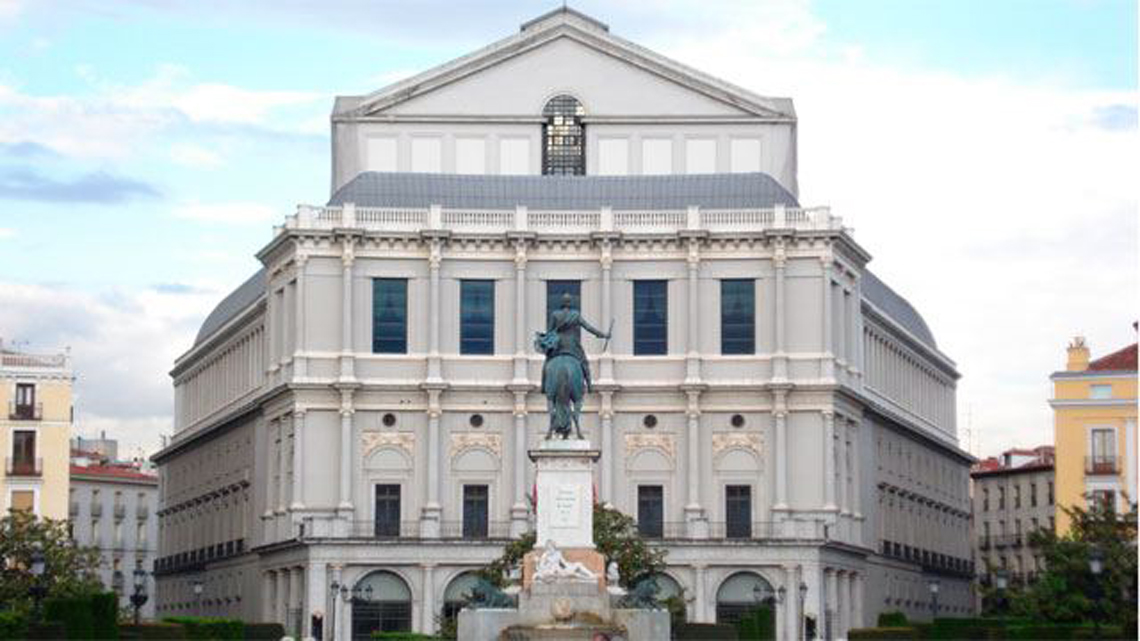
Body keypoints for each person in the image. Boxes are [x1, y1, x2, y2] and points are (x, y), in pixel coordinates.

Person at [542, 292, 609, 391]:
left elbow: (549, 331)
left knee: (547, 362)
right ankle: (589, 383)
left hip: (558, 345)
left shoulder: (555, 314)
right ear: (570, 302)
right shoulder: (576, 315)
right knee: (584, 362)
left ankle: (544, 385)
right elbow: (588, 327)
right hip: (572, 345)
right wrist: (602, 335)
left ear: (562, 302)